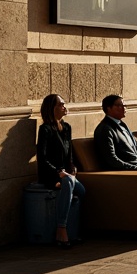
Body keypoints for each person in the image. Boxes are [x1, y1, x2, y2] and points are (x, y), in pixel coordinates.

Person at [36, 93, 85, 247]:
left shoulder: (67, 128)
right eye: (61, 104)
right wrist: (58, 172)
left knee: (81, 190)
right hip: (50, 174)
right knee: (68, 182)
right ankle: (61, 229)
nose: (65, 107)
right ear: (52, 108)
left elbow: (69, 154)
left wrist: (72, 169)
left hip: (65, 173)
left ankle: (71, 229)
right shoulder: (45, 129)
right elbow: (42, 158)